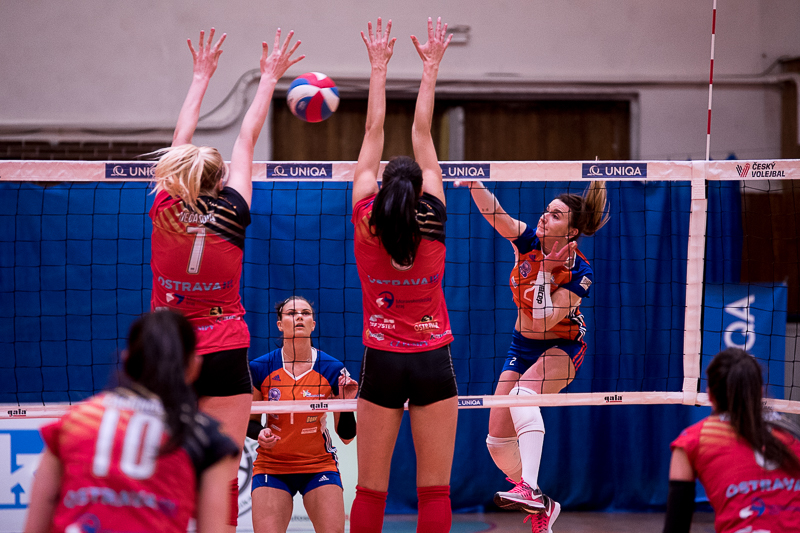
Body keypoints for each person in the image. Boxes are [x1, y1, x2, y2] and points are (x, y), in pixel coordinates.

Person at [148, 28, 303, 529]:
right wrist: (270, 78)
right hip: (224, 346)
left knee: (170, 469)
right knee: (224, 474)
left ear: (177, 178)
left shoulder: (164, 206)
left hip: (172, 350)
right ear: (221, 182)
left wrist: (201, 76)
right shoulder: (234, 211)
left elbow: (181, 138)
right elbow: (246, 138)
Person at [349, 17, 456, 533]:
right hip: (432, 357)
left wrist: (378, 68)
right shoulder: (433, 212)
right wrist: (430, 68)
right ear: (417, 189)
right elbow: (422, 134)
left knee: (371, 489)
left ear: (382, 186)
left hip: (383, 359)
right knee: (434, 490)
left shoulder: (364, 219)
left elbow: (374, 131)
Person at [456, 179, 608, 531]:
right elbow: (497, 214)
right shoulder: (528, 241)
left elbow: (545, 318)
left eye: (555, 215)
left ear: (572, 231)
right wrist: (474, 182)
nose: (544, 216)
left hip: (562, 346)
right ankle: (542, 503)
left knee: (523, 393)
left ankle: (529, 487)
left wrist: (545, 272)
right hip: (521, 345)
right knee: (497, 442)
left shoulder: (580, 272)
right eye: (546, 210)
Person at [23, 310, 239, 533]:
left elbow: (34, 528)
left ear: (127, 360)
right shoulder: (205, 436)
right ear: (194, 366)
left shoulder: (74, 422)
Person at [248, 296, 358, 533]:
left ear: (313, 324)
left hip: (319, 465)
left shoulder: (332, 369)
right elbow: (250, 422)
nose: (299, 317)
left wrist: (347, 403)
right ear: (280, 324)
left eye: (305, 313)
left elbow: (347, 436)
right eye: (291, 313)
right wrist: (261, 433)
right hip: (272, 466)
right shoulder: (260, 368)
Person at [663, 348, 800, 533]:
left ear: (709, 395)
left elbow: (675, 527)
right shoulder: (791, 436)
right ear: (760, 393)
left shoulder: (692, 440)